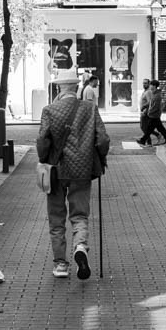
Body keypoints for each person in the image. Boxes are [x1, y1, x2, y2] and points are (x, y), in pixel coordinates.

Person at [36, 68, 110, 280]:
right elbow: (103, 139)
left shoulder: (49, 110)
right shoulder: (89, 109)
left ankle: (61, 264)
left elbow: (42, 141)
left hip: (56, 171)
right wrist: (100, 158)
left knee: (56, 218)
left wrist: (44, 158)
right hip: (82, 171)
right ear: (76, 87)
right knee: (79, 215)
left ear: (59, 88)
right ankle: (80, 246)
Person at [138, 80, 166, 146]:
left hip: (154, 115)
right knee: (159, 128)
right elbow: (151, 103)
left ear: (154, 86)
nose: (150, 86)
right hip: (154, 115)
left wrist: (149, 112)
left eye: (151, 85)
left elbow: (155, 106)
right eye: (150, 85)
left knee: (149, 129)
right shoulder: (154, 94)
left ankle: (143, 140)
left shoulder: (157, 95)